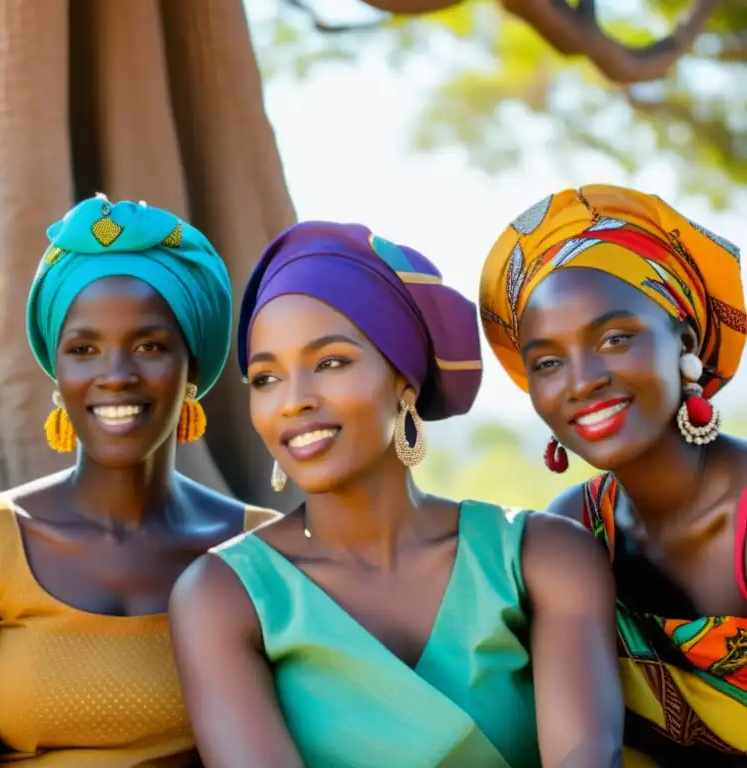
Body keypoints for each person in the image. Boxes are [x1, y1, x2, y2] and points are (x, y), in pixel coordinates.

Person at [169, 221, 624, 768]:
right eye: (266, 378)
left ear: (404, 379)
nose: (293, 401)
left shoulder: (541, 556)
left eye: (330, 363)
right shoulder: (224, 595)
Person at [0, 195, 278, 767]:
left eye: (150, 346)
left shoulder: (261, 550)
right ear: (57, 372)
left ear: (193, 367)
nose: (115, 376)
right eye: (84, 349)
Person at [479, 184, 747, 766]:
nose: (582, 381)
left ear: (687, 341)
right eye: (548, 362)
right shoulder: (574, 529)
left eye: (614, 339)